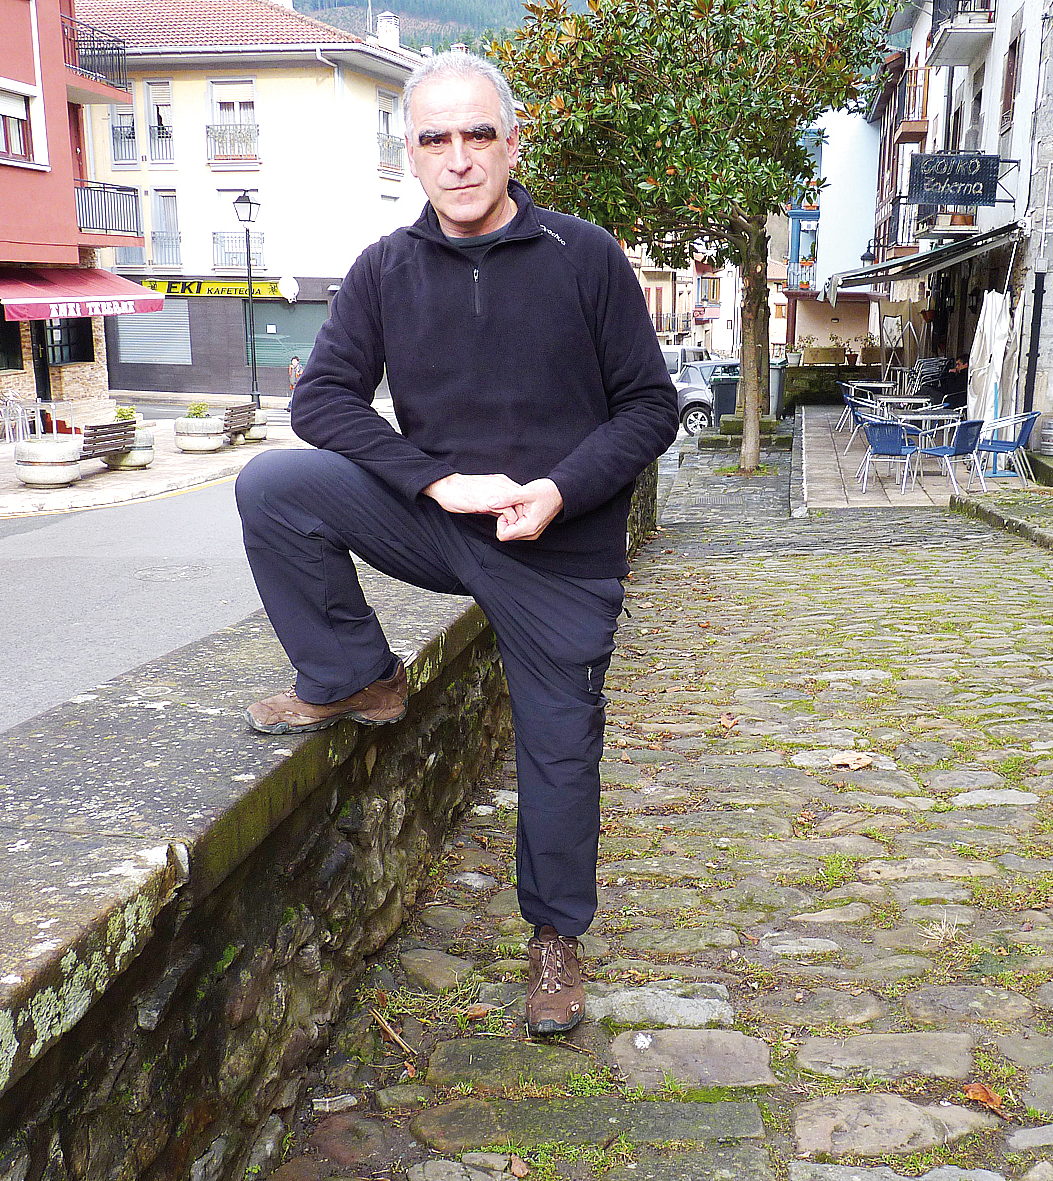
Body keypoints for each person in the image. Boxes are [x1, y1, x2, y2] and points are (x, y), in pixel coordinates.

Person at [234, 51, 678, 1035]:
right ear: (411, 156)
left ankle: (554, 937)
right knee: (274, 487)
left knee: (560, 750)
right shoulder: (384, 269)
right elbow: (322, 399)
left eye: (478, 133)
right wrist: (435, 479)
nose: (459, 156)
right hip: (442, 524)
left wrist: (561, 490)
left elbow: (650, 407)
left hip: (557, 548)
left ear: (512, 144)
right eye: (435, 138)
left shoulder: (585, 257)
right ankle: (356, 675)